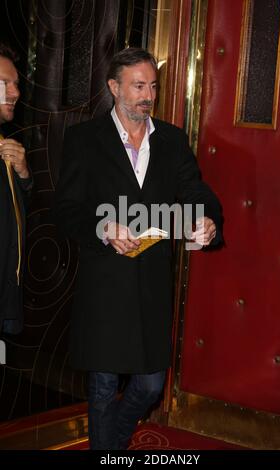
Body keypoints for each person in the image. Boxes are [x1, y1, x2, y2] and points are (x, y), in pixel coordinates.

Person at [54, 48, 223, 450]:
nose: (148, 95)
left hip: (150, 283)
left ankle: (109, 443)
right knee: (101, 388)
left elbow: (194, 188)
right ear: (114, 87)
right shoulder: (83, 139)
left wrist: (207, 217)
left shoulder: (171, 139)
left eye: (153, 86)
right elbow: (65, 210)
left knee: (149, 386)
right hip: (104, 285)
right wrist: (102, 226)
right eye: (138, 85)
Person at [0, 43, 31, 335]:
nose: (15, 92)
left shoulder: (5, 143)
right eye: (4, 84)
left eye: (16, 84)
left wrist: (23, 174)